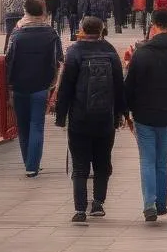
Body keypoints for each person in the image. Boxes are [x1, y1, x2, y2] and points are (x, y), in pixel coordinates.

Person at [53, 16, 126, 223]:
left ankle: (79, 210)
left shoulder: (75, 52)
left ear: (82, 30)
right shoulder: (110, 51)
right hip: (105, 118)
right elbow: (119, 86)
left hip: (80, 117)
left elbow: (66, 88)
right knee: (103, 163)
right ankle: (98, 204)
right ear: (102, 30)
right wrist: (121, 113)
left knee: (80, 165)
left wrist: (61, 116)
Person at [124, 9, 167, 221]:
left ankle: (149, 204)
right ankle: (162, 202)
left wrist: (126, 111)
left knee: (147, 160)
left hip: (144, 114)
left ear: (153, 24)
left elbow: (130, 85)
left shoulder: (142, 52)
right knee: (162, 161)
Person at [5, 0, 63, 177]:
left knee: (22, 126)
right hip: (41, 85)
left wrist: (8, 86)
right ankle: (33, 165)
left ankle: (28, 163)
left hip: (19, 85)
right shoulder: (50, 33)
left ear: (26, 10)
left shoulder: (16, 32)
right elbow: (59, 59)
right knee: (37, 124)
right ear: (43, 11)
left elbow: (7, 59)